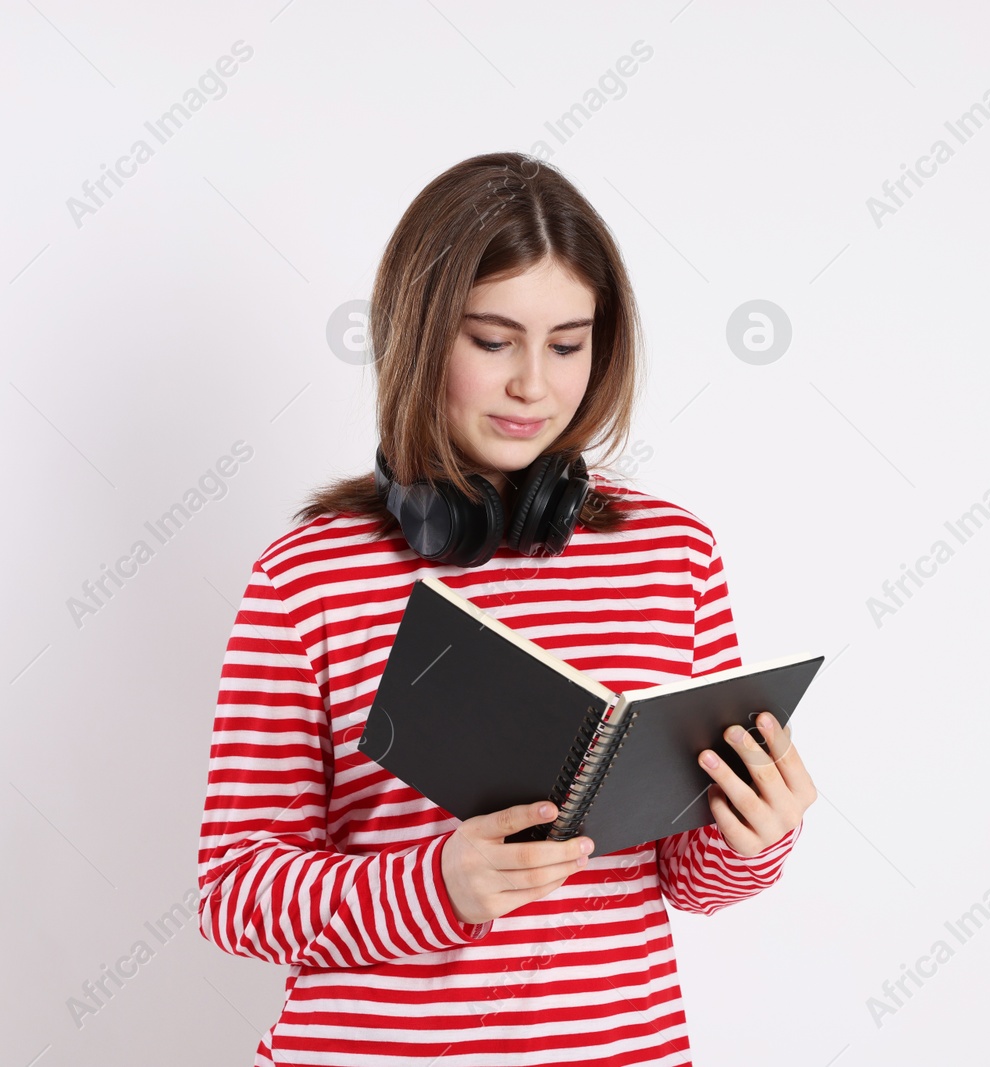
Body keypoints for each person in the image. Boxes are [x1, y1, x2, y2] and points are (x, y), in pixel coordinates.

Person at [195, 151, 817, 1066]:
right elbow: (234, 891)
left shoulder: (673, 556)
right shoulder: (310, 573)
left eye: (568, 343)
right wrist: (435, 885)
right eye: (493, 342)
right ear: (420, 336)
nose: (535, 384)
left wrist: (758, 836)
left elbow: (689, 878)